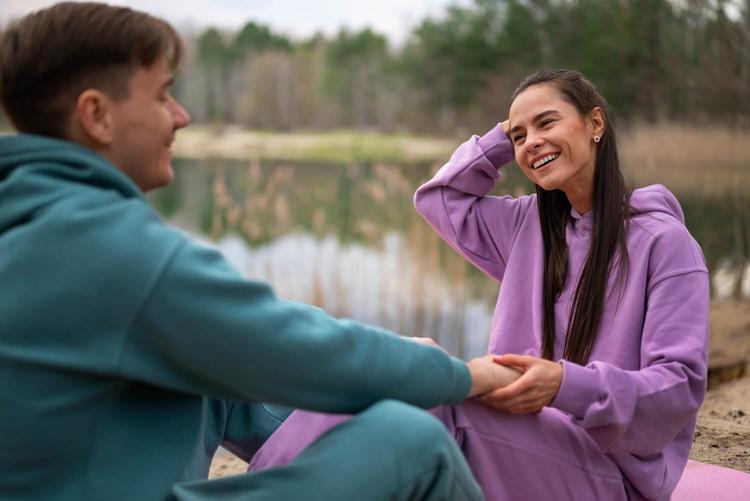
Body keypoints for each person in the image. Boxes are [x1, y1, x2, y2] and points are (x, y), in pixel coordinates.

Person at [0, 3, 519, 500]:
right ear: (97, 115)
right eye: (162, 96)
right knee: (415, 445)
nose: (180, 116)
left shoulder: (32, 217)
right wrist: (460, 375)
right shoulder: (107, 246)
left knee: (214, 379)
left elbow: (249, 335)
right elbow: (303, 353)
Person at [249, 69, 710, 501]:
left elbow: (679, 388)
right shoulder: (528, 225)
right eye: (520, 136)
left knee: (435, 403)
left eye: (547, 122)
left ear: (595, 123)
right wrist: (504, 138)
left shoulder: (665, 244)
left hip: (611, 476)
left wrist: (563, 386)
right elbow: (440, 198)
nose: (532, 142)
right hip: (517, 435)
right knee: (404, 369)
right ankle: (264, 487)